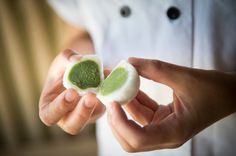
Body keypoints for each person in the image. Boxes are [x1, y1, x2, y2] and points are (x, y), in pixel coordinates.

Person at [39, 0, 236, 156]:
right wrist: (73, 62)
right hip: (118, 125)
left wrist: (229, 93)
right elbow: (82, 31)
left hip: (225, 134)